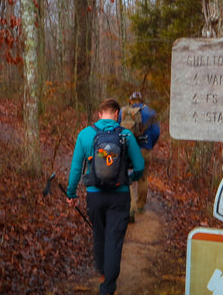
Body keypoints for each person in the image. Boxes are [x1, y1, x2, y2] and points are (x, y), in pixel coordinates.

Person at [66, 98, 144, 295]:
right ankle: (107, 287)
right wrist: (130, 178)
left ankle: (102, 270)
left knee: (99, 234)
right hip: (119, 197)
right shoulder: (126, 135)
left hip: (95, 197)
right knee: (114, 240)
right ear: (117, 115)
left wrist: (71, 193)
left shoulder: (85, 135)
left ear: (100, 114)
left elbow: (76, 168)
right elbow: (140, 166)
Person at [119, 91, 160, 221]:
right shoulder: (151, 113)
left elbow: (118, 129)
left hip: (128, 149)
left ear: (131, 101)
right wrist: (149, 146)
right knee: (143, 178)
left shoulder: (123, 112)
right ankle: (141, 206)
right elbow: (156, 132)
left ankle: (130, 209)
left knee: (127, 178)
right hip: (144, 150)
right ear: (142, 100)